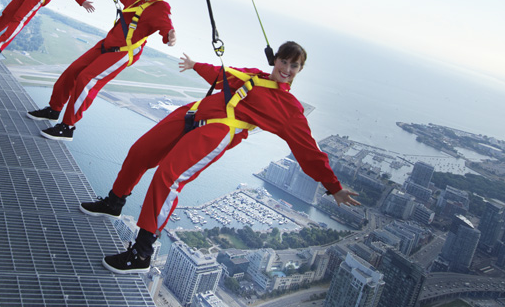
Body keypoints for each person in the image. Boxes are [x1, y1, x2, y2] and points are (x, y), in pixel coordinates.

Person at [80, 41, 361, 274]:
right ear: (275, 60)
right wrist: (196, 66)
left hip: (218, 131)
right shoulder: (253, 76)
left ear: (300, 70)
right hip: (193, 113)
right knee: (139, 152)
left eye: (294, 66)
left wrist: (333, 186)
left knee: (168, 177)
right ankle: (114, 201)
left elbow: (307, 148)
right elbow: (222, 74)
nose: (287, 69)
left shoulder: (289, 108)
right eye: (284, 62)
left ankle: (141, 252)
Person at [31, 0, 175, 142]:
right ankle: (54, 110)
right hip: (107, 44)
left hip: (123, 52)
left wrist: (170, 36)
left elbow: (166, 27)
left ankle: (67, 127)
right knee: (72, 71)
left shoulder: (162, 8)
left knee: (86, 79)